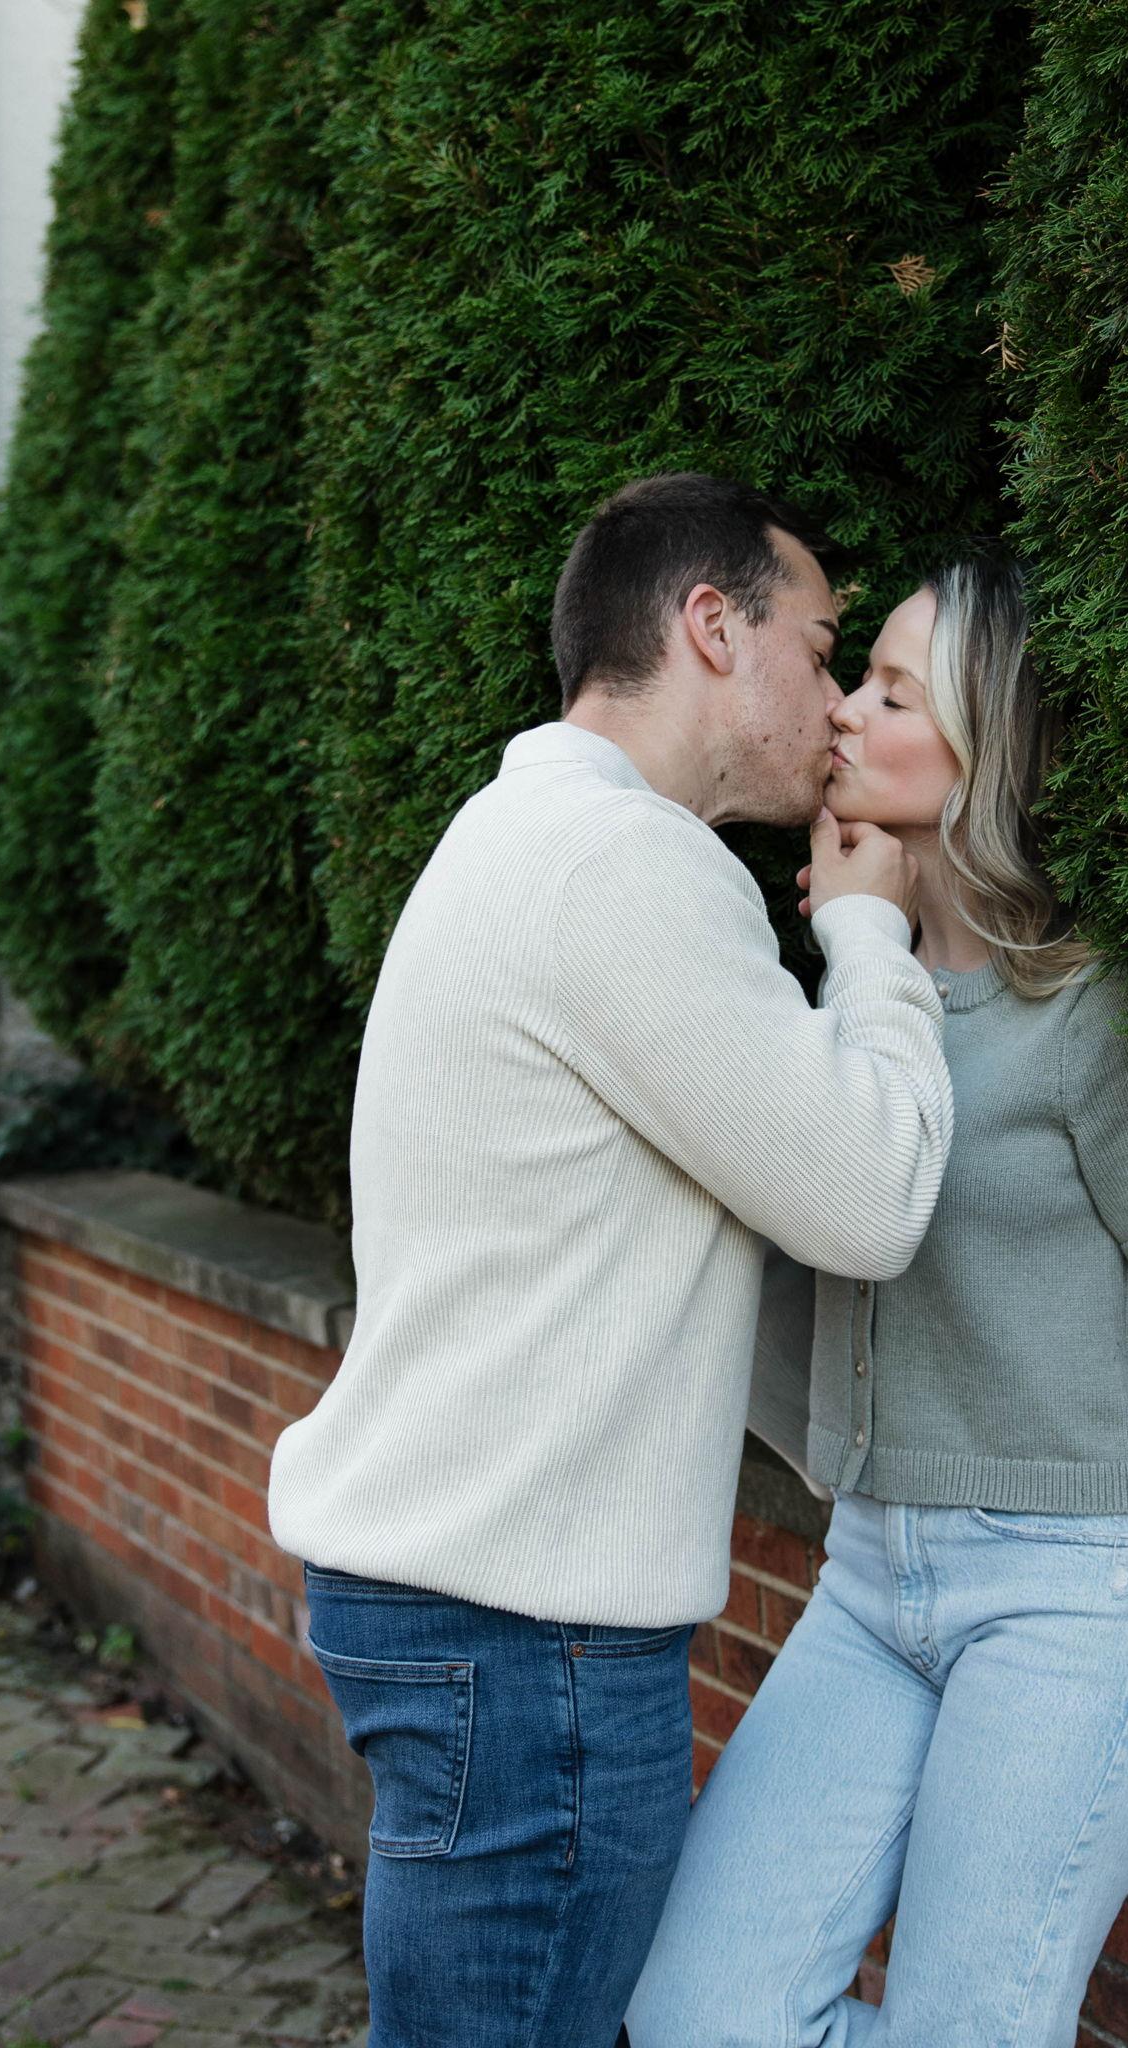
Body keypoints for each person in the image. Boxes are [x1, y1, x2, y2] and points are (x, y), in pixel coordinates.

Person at [627, 554, 1128, 2048]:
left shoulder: (1087, 1015)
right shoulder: (852, 1003)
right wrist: (858, 937)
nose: (844, 711)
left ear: (985, 756)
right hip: (870, 1580)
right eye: (859, 676)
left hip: (1077, 1598)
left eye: (895, 695)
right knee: (698, 2016)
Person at [266, 474, 956, 2047]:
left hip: (466, 1615)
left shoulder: (526, 832)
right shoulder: (624, 866)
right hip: (526, 1642)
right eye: (822, 650)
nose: (837, 705)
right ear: (712, 626)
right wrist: (869, 935)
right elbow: (869, 1198)